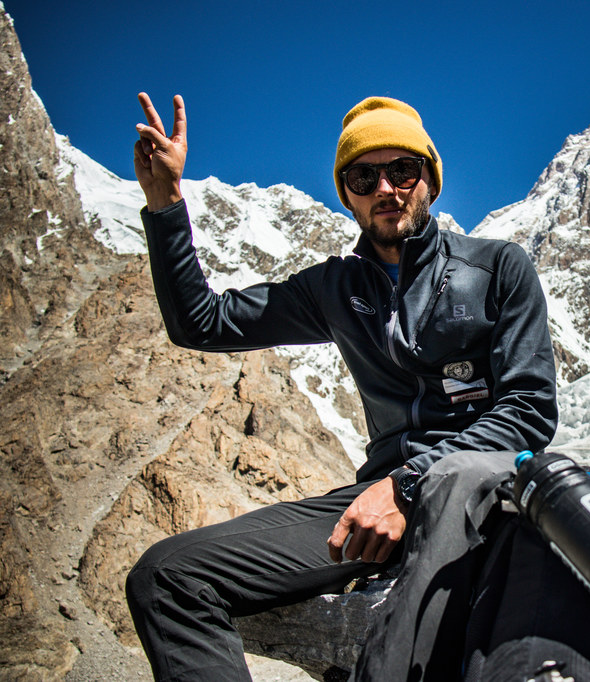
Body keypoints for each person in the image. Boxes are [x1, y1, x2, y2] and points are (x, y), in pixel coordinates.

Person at [125, 92, 558, 680]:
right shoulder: (332, 289)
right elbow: (201, 322)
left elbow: (528, 410)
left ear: (428, 178)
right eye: (364, 175)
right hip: (373, 505)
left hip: (478, 490)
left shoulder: (499, 268)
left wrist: (408, 486)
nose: (386, 188)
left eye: (402, 169)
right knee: (167, 575)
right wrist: (166, 201)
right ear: (347, 192)